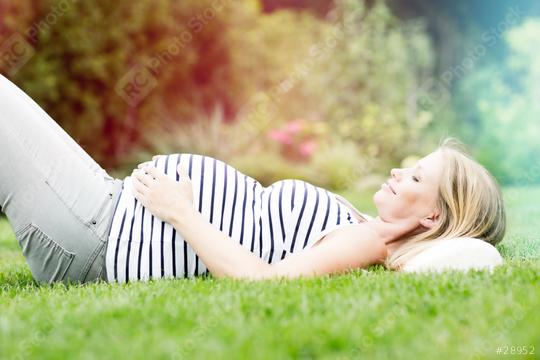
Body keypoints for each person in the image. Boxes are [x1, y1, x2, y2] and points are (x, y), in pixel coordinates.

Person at [0, 74, 506, 285]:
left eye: (416, 176)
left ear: (433, 215)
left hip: (96, 235)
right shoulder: (363, 226)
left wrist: (180, 210)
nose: (399, 170)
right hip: (101, 209)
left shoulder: (370, 239)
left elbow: (262, 282)